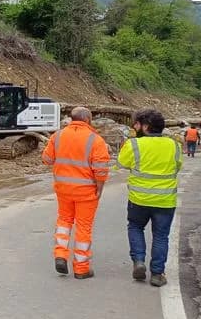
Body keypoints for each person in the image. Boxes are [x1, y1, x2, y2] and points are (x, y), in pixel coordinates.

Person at [42, 107, 111, 279]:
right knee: (83, 227)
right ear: (88, 119)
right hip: (86, 192)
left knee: (64, 222)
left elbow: (47, 159)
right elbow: (101, 169)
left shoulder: (57, 136)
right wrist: (100, 188)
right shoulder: (95, 140)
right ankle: (81, 268)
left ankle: (60, 255)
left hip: (63, 189)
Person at [117, 109, 183, 287]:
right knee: (161, 236)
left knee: (136, 227)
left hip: (139, 199)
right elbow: (177, 167)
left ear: (145, 126)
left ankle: (138, 261)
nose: (135, 127)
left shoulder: (134, 144)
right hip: (165, 201)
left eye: (137, 124)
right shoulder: (174, 145)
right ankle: (157, 273)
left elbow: (122, 163)